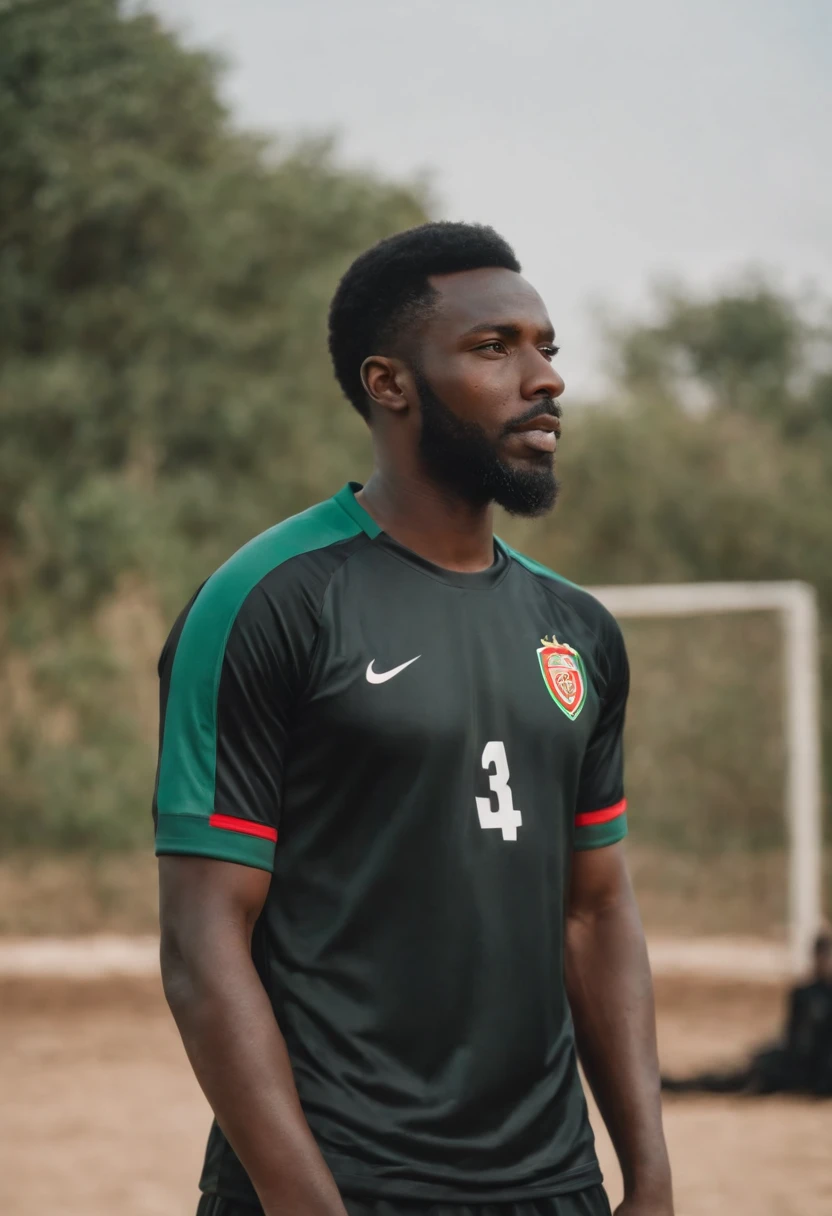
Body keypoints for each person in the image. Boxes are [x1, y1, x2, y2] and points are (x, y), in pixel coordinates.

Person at [154, 222, 674, 1216]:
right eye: (494, 348)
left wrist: (647, 1176)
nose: (544, 378)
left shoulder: (578, 631)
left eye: (546, 347)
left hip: (553, 1184)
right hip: (341, 1183)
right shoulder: (270, 600)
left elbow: (594, 908)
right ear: (388, 383)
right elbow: (202, 942)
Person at [662, 930, 832, 1098]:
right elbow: (797, 1041)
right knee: (730, 1077)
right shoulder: (805, 992)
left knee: (736, 1079)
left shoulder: (808, 994)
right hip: (796, 1069)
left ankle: (677, 1085)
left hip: (803, 1073)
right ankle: (677, 1084)